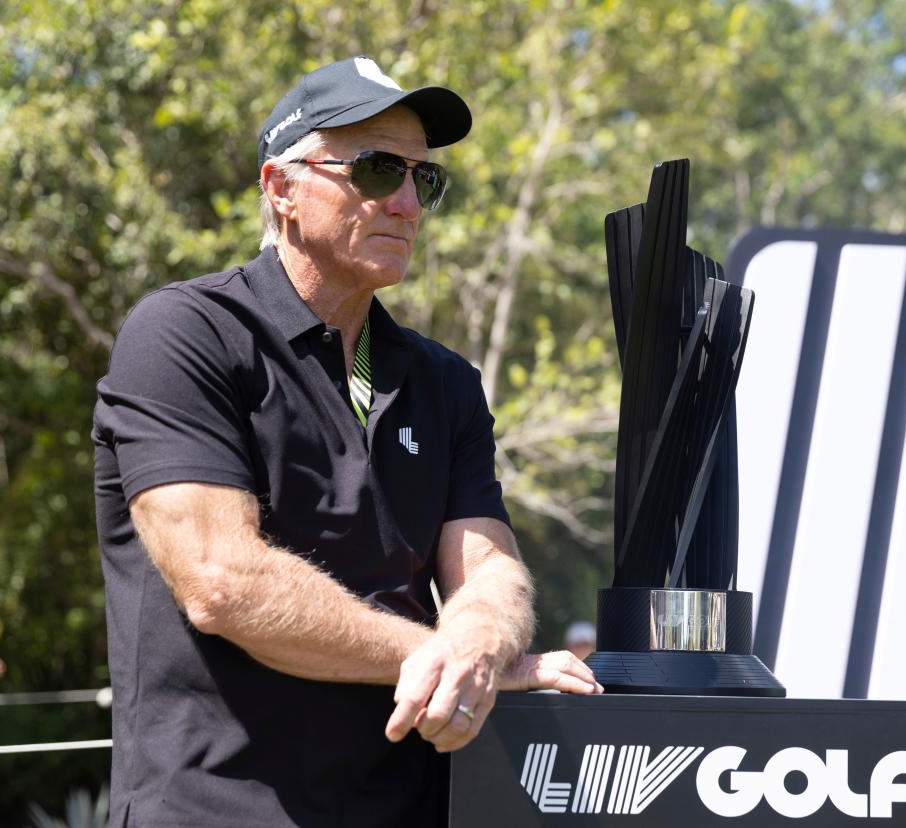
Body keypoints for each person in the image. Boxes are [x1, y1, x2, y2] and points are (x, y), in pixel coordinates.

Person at [93, 56, 600, 827]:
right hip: (216, 808)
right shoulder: (185, 335)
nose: (405, 203)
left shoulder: (445, 382)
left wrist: (481, 643)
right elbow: (222, 583)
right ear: (280, 187)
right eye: (374, 170)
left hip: (411, 809)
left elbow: (491, 572)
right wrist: (437, 657)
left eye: (422, 180)